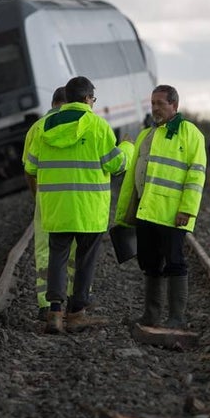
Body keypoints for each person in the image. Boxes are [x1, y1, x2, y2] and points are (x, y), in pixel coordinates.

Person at [25, 76, 135, 334]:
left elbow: (31, 167)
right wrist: (128, 148)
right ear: (87, 98)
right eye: (93, 99)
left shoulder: (43, 127)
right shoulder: (97, 125)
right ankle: (76, 314)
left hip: (57, 207)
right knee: (85, 260)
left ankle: (54, 312)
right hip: (89, 209)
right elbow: (116, 164)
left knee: (57, 256)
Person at [114, 84, 206, 329]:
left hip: (172, 214)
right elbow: (133, 177)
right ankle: (151, 316)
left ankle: (177, 318)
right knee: (150, 264)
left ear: (174, 105)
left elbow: (196, 176)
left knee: (175, 262)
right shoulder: (146, 134)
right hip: (146, 212)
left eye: (160, 104)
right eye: (152, 103)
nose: (155, 108)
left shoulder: (191, 134)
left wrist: (187, 209)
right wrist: (127, 211)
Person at [23, 86, 75, 318]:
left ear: (53, 102)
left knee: (45, 249)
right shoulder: (82, 123)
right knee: (75, 249)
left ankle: (46, 305)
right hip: (76, 198)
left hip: (47, 198)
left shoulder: (36, 128)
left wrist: (37, 195)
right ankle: (75, 301)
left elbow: (29, 169)